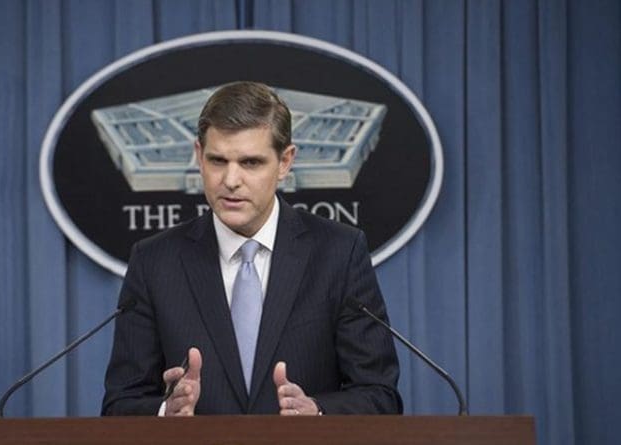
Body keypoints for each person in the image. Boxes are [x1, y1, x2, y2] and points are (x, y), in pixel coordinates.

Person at [102, 81, 402, 416]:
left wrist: (317, 411)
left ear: (285, 162)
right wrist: (164, 411)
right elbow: (120, 404)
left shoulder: (339, 253)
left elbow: (380, 395)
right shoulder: (155, 261)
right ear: (199, 155)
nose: (230, 180)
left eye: (250, 163)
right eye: (217, 161)